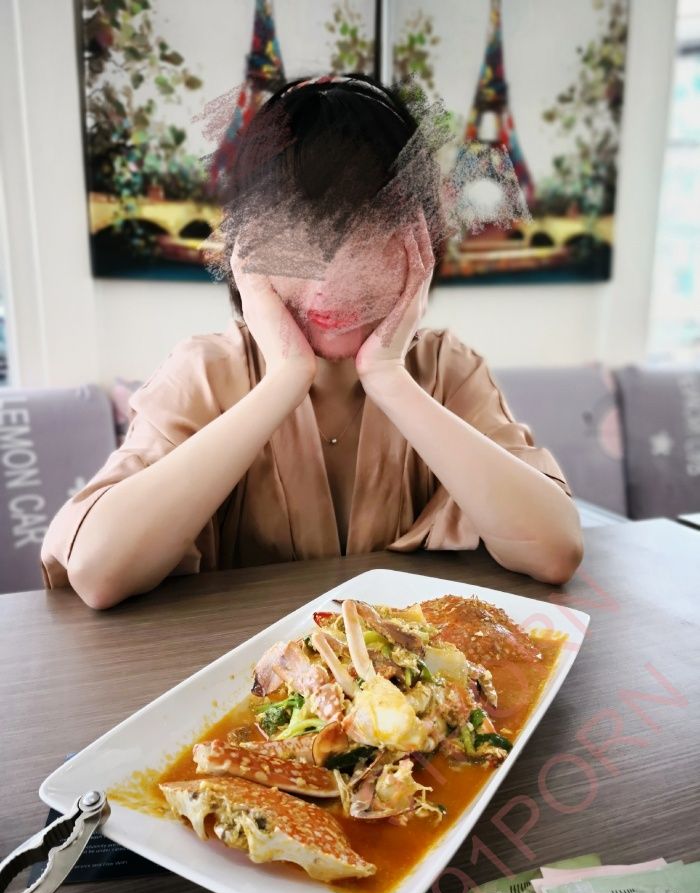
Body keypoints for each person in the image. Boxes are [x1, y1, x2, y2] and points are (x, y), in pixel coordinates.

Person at [41, 73, 583, 610]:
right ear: (247, 250)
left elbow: (555, 551)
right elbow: (99, 571)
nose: (329, 288)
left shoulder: (447, 368)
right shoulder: (204, 371)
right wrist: (285, 378)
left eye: (368, 237)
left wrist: (389, 377)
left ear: (418, 245)